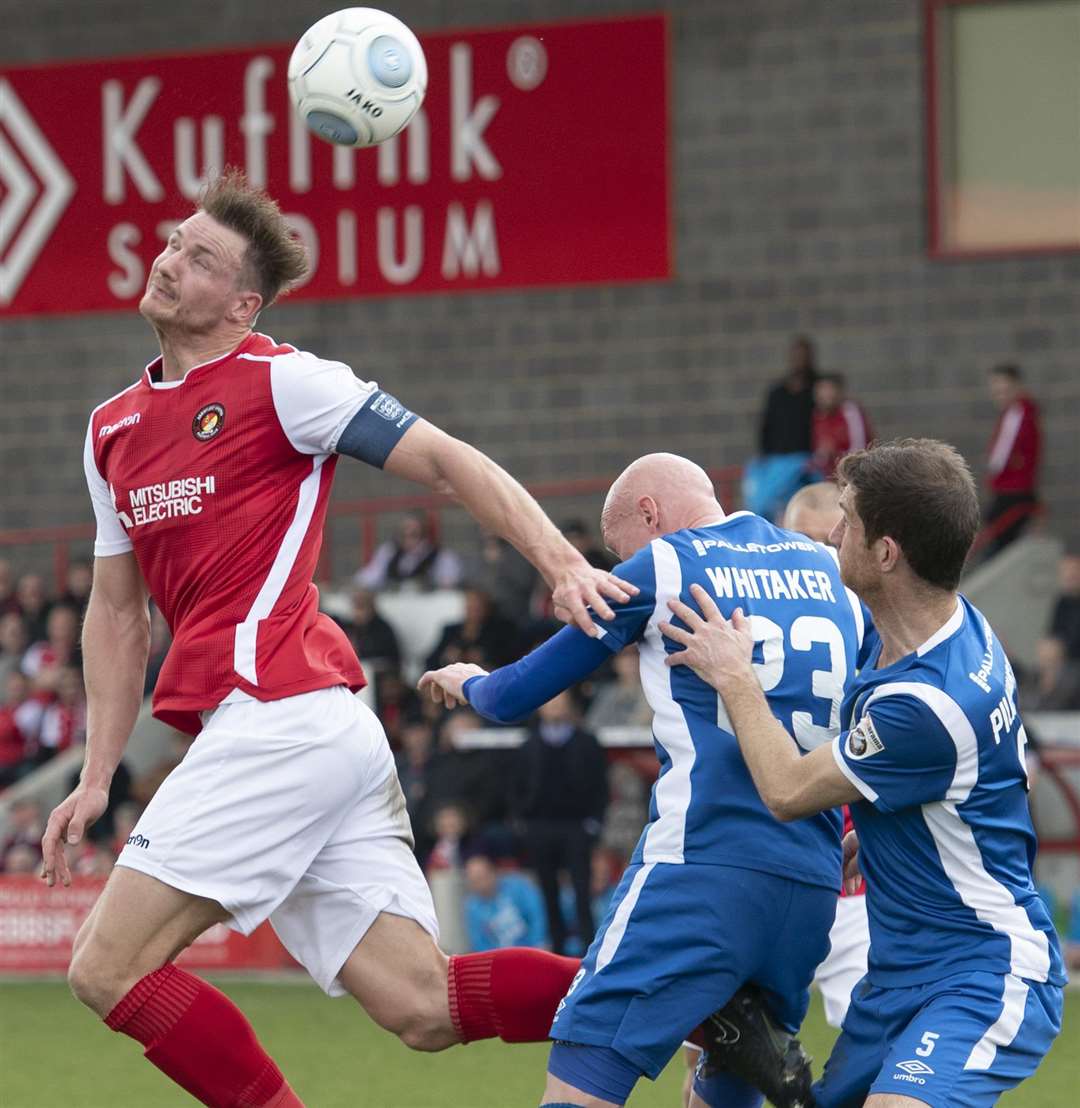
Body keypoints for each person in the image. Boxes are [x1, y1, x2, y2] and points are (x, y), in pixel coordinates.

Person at [39, 169, 635, 1108]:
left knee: (104, 967)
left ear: (242, 303)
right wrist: (98, 774)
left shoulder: (285, 382)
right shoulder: (110, 427)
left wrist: (562, 563)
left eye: (198, 258)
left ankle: (672, 997)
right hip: (309, 732)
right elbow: (118, 614)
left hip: (279, 719)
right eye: (172, 242)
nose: (168, 260)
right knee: (422, 1004)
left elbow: (446, 457)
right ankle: (688, 1006)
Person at [420, 452, 869, 1108]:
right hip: (810, 883)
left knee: (583, 1065)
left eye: (614, 546)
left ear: (649, 515)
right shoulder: (833, 574)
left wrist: (471, 683)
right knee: (727, 1081)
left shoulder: (668, 563)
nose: (612, 563)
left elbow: (520, 694)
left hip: (703, 864)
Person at [664, 439, 1065, 1108]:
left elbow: (788, 790)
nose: (834, 534)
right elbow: (970, 784)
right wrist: (879, 831)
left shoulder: (928, 701)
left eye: (846, 521)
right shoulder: (938, 633)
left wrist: (733, 673)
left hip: (983, 970)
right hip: (899, 980)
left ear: (886, 553)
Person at [513, 690, 609, 957]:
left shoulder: (587, 743)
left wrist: (594, 824)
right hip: (540, 828)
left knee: (582, 894)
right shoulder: (529, 745)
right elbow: (516, 787)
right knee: (549, 895)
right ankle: (556, 955)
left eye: (560, 701)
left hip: (576, 827)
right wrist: (524, 823)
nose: (554, 707)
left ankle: (589, 956)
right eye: (549, 701)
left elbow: (600, 787)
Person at [744, 336, 820, 521]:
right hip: (777, 459)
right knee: (764, 503)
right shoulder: (777, 392)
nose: (800, 360)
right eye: (797, 356)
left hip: (805, 460)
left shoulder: (818, 389)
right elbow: (766, 424)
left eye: (804, 356)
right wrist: (764, 453)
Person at [984, 363, 1041, 557]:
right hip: (1007, 490)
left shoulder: (1020, 414)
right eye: (996, 391)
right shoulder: (1010, 415)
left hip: (1014, 493)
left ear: (1017, 387)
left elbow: (1001, 459)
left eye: (1004, 390)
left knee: (996, 550)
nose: (999, 395)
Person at [354, 512, 463, 591]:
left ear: (423, 533)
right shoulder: (389, 552)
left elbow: (449, 582)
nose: (408, 538)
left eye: (414, 534)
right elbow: (371, 575)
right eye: (404, 534)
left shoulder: (441, 556)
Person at [463, 852, 549, 951]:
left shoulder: (518, 886)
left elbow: (537, 916)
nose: (479, 885)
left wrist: (539, 943)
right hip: (503, 960)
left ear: (493, 873)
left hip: (534, 949)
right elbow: (479, 943)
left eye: (481, 878)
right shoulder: (472, 908)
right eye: (473, 881)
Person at [810, 373, 872, 479]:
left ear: (839, 392)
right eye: (822, 389)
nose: (826, 394)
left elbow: (859, 447)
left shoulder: (850, 411)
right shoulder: (817, 416)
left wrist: (836, 455)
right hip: (828, 473)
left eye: (830, 389)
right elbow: (819, 453)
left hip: (855, 469)